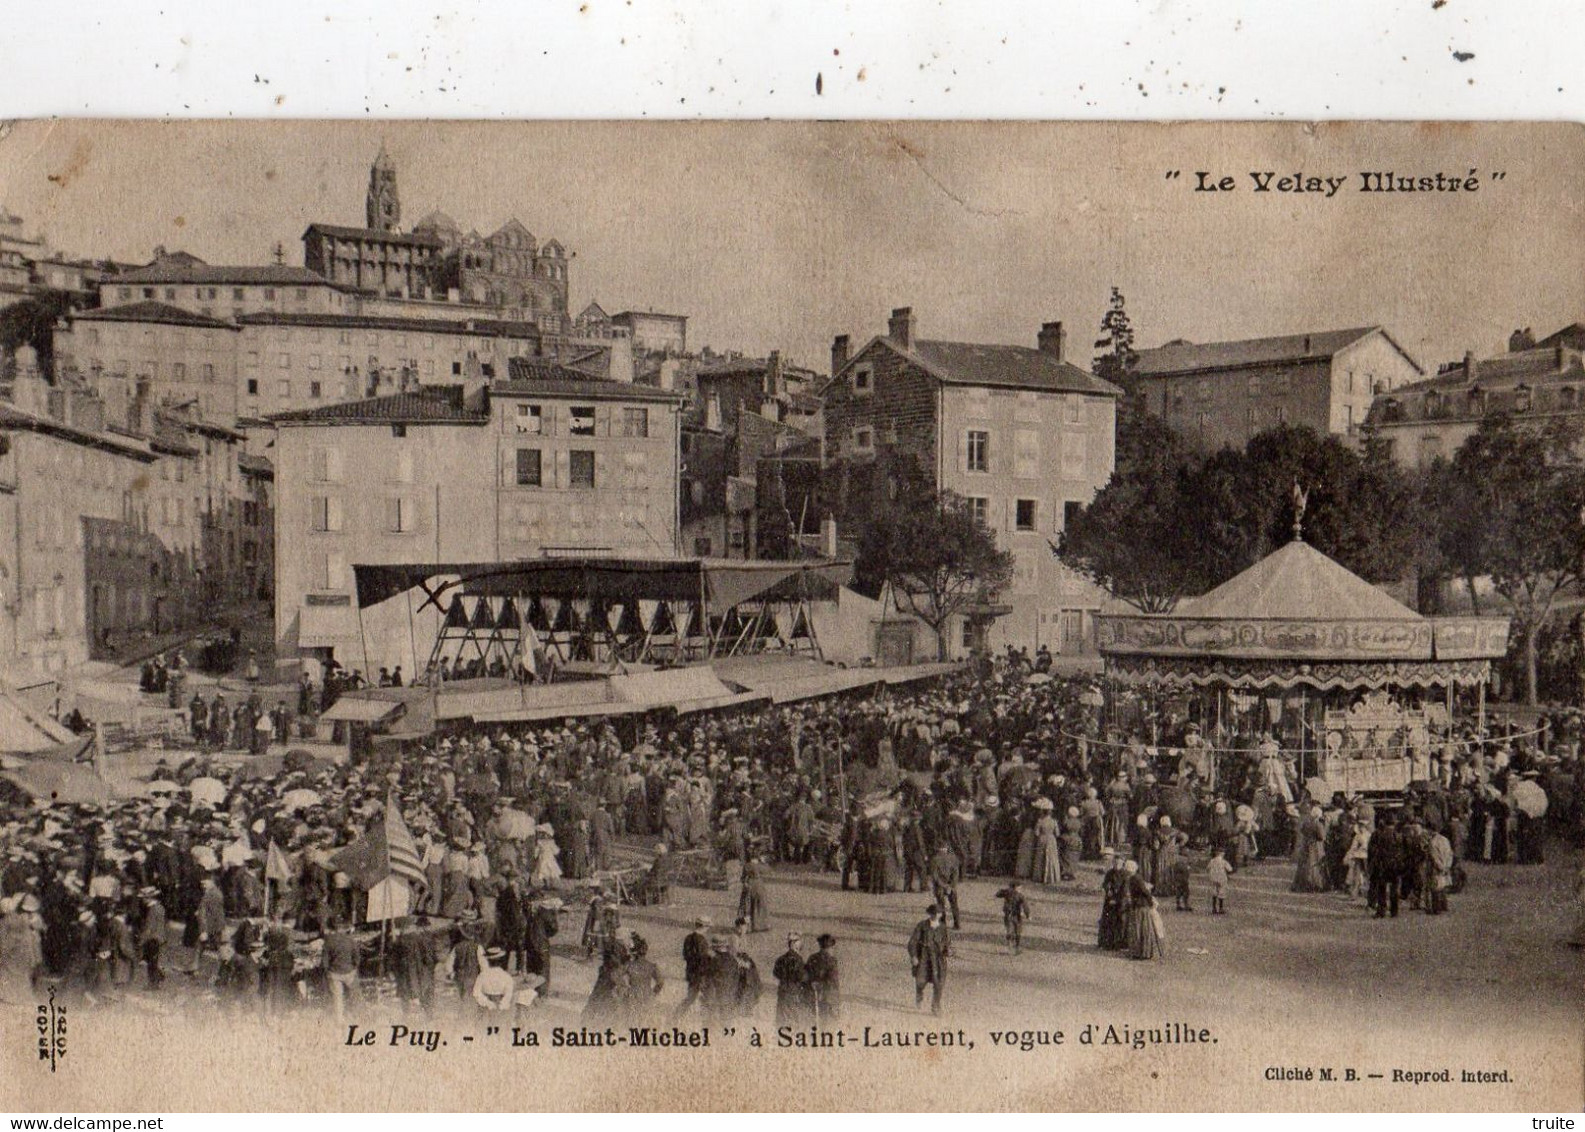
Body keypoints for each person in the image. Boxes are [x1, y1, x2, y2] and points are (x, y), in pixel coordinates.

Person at [907, 904, 951, 1015]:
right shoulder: (922, 926)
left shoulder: (943, 928)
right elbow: (912, 942)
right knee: (921, 981)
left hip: (938, 959)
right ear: (930, 914)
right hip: (924, 958)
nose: (936, 916)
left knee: (939, 983)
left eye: (939, 913)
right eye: (934, 913)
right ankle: (919, 995)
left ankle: (935, 1006)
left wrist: (948, 951)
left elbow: (947, 943)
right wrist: (914, 956)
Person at [321, 917, 362, 1021]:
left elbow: (324, 960)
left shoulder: (328, 941)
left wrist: (327, 971)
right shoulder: (351, 940)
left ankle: (339, 1018)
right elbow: (357, 957)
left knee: (337, 997)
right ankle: (356, 1015)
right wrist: (354, 968)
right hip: (349, 972)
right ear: (344, 928)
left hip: (334, 973)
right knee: (355, 994)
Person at [1124, 860, 1164, 960]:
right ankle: (1143, 952)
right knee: (1143, 929)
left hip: (1139, 906)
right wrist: (1150, 901)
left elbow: (1144, 891)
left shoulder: (1134, 879)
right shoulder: (1136, 878)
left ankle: (1139, 952)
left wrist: (1149, 900)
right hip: (1141, 906)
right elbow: (1145, 891)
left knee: (1139, 929)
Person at [673, 916, 713, 1019]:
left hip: (691, 971)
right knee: (709, 996)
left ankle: (677, 1014)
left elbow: (685, 955)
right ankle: (707, 1018)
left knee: (691, 997)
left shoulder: (688, 938)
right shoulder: (702, 940)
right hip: (701, 973)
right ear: (705, 927)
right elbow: (703, 958)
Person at [771, 933, 812, 1028]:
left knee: (781, 1023)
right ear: (794, 944)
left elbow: (776, 976)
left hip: (782, 995)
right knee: (794, 1023)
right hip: (794, 995)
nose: (801, 943)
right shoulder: (798, 960)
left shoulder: (780, 959)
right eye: (798, 941)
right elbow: (802, 977)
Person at [1368, 812, 1403, 919]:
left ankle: (1381, 910)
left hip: (1381, 865)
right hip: (1395, 865)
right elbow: (1403, 851)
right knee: (1394, 888)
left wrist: (1372, 864)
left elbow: (1371, 850)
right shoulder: (1398, 836)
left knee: (1381, 888)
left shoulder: (1377, 834)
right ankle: (1394, 911)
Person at [804, 933, 840, 1026]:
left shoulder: (812, 958)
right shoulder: (831, 961)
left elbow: (805, 976)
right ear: (830, 948)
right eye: (832, 948)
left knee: (812, 1023)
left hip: (811, 996)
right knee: (825, 1024)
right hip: (826, 998)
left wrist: (812, 984)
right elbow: (833, 981)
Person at [625, 933, 664, 1020]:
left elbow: (616, 976)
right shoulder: (651, 966)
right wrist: (653, 993)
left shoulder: (629, 965)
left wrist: (625, 989)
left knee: (631, 1022)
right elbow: (660, 982)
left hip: (633, 995)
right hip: (647, 995)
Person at [1097, 850, 1128, 949]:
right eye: (1115, 862)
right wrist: (1108, 889)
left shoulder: (1125, 874)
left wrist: (1117, 899)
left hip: (1120, 902)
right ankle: (1107, 942)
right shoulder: (1110, 873)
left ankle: (1119, 943)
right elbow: (1105, 883)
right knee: (1107, 921)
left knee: (1120, 922)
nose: (1116, 864)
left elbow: (1125, 890)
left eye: (1118, 863)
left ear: (1123, 863)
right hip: (1109, 901)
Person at [928, 842, 962, 930]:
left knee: (941, 904)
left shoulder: (935, 859)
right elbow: (956, 873)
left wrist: (944, 886)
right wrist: (951, 885)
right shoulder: (953, 858)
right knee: (954, 904)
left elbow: (935, 876)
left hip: (940, 886)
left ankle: (943, 923)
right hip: (951, 885)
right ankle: (957, 923)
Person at [994, 881, 1031, 955]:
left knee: (1010, 931)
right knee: (1017, 932)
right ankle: (1015, 948)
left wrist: (1004, 891)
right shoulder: (1020, 896)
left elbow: (998, 894)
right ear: (1016, 888)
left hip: (1010, 915)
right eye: (1019, 888)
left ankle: (1010, 947)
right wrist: (1028, 915)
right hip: (1016, 916)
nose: (1020, 890)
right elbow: (1025, 906)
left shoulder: (1008, 893)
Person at [738, 856, 769, 932]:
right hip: (758, 886)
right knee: (760, 905)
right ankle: (759, 925)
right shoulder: (759, 866)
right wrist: (764, 862)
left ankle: (747, 926)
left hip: (749, 885)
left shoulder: (747, 865)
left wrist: (745, 882)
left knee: (748, 906)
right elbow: (767, 870)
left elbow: (742, 878)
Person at [1206, 847, 1233, 915]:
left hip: (1213, 877)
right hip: (1221, 878)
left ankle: (1214, 908)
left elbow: (1208, 868)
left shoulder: (1212, 861)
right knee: (1221, 892)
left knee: (1214, 892)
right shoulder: (1224, 862)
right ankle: (1221, 908)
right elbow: (1230, 869)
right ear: (1221, 854)